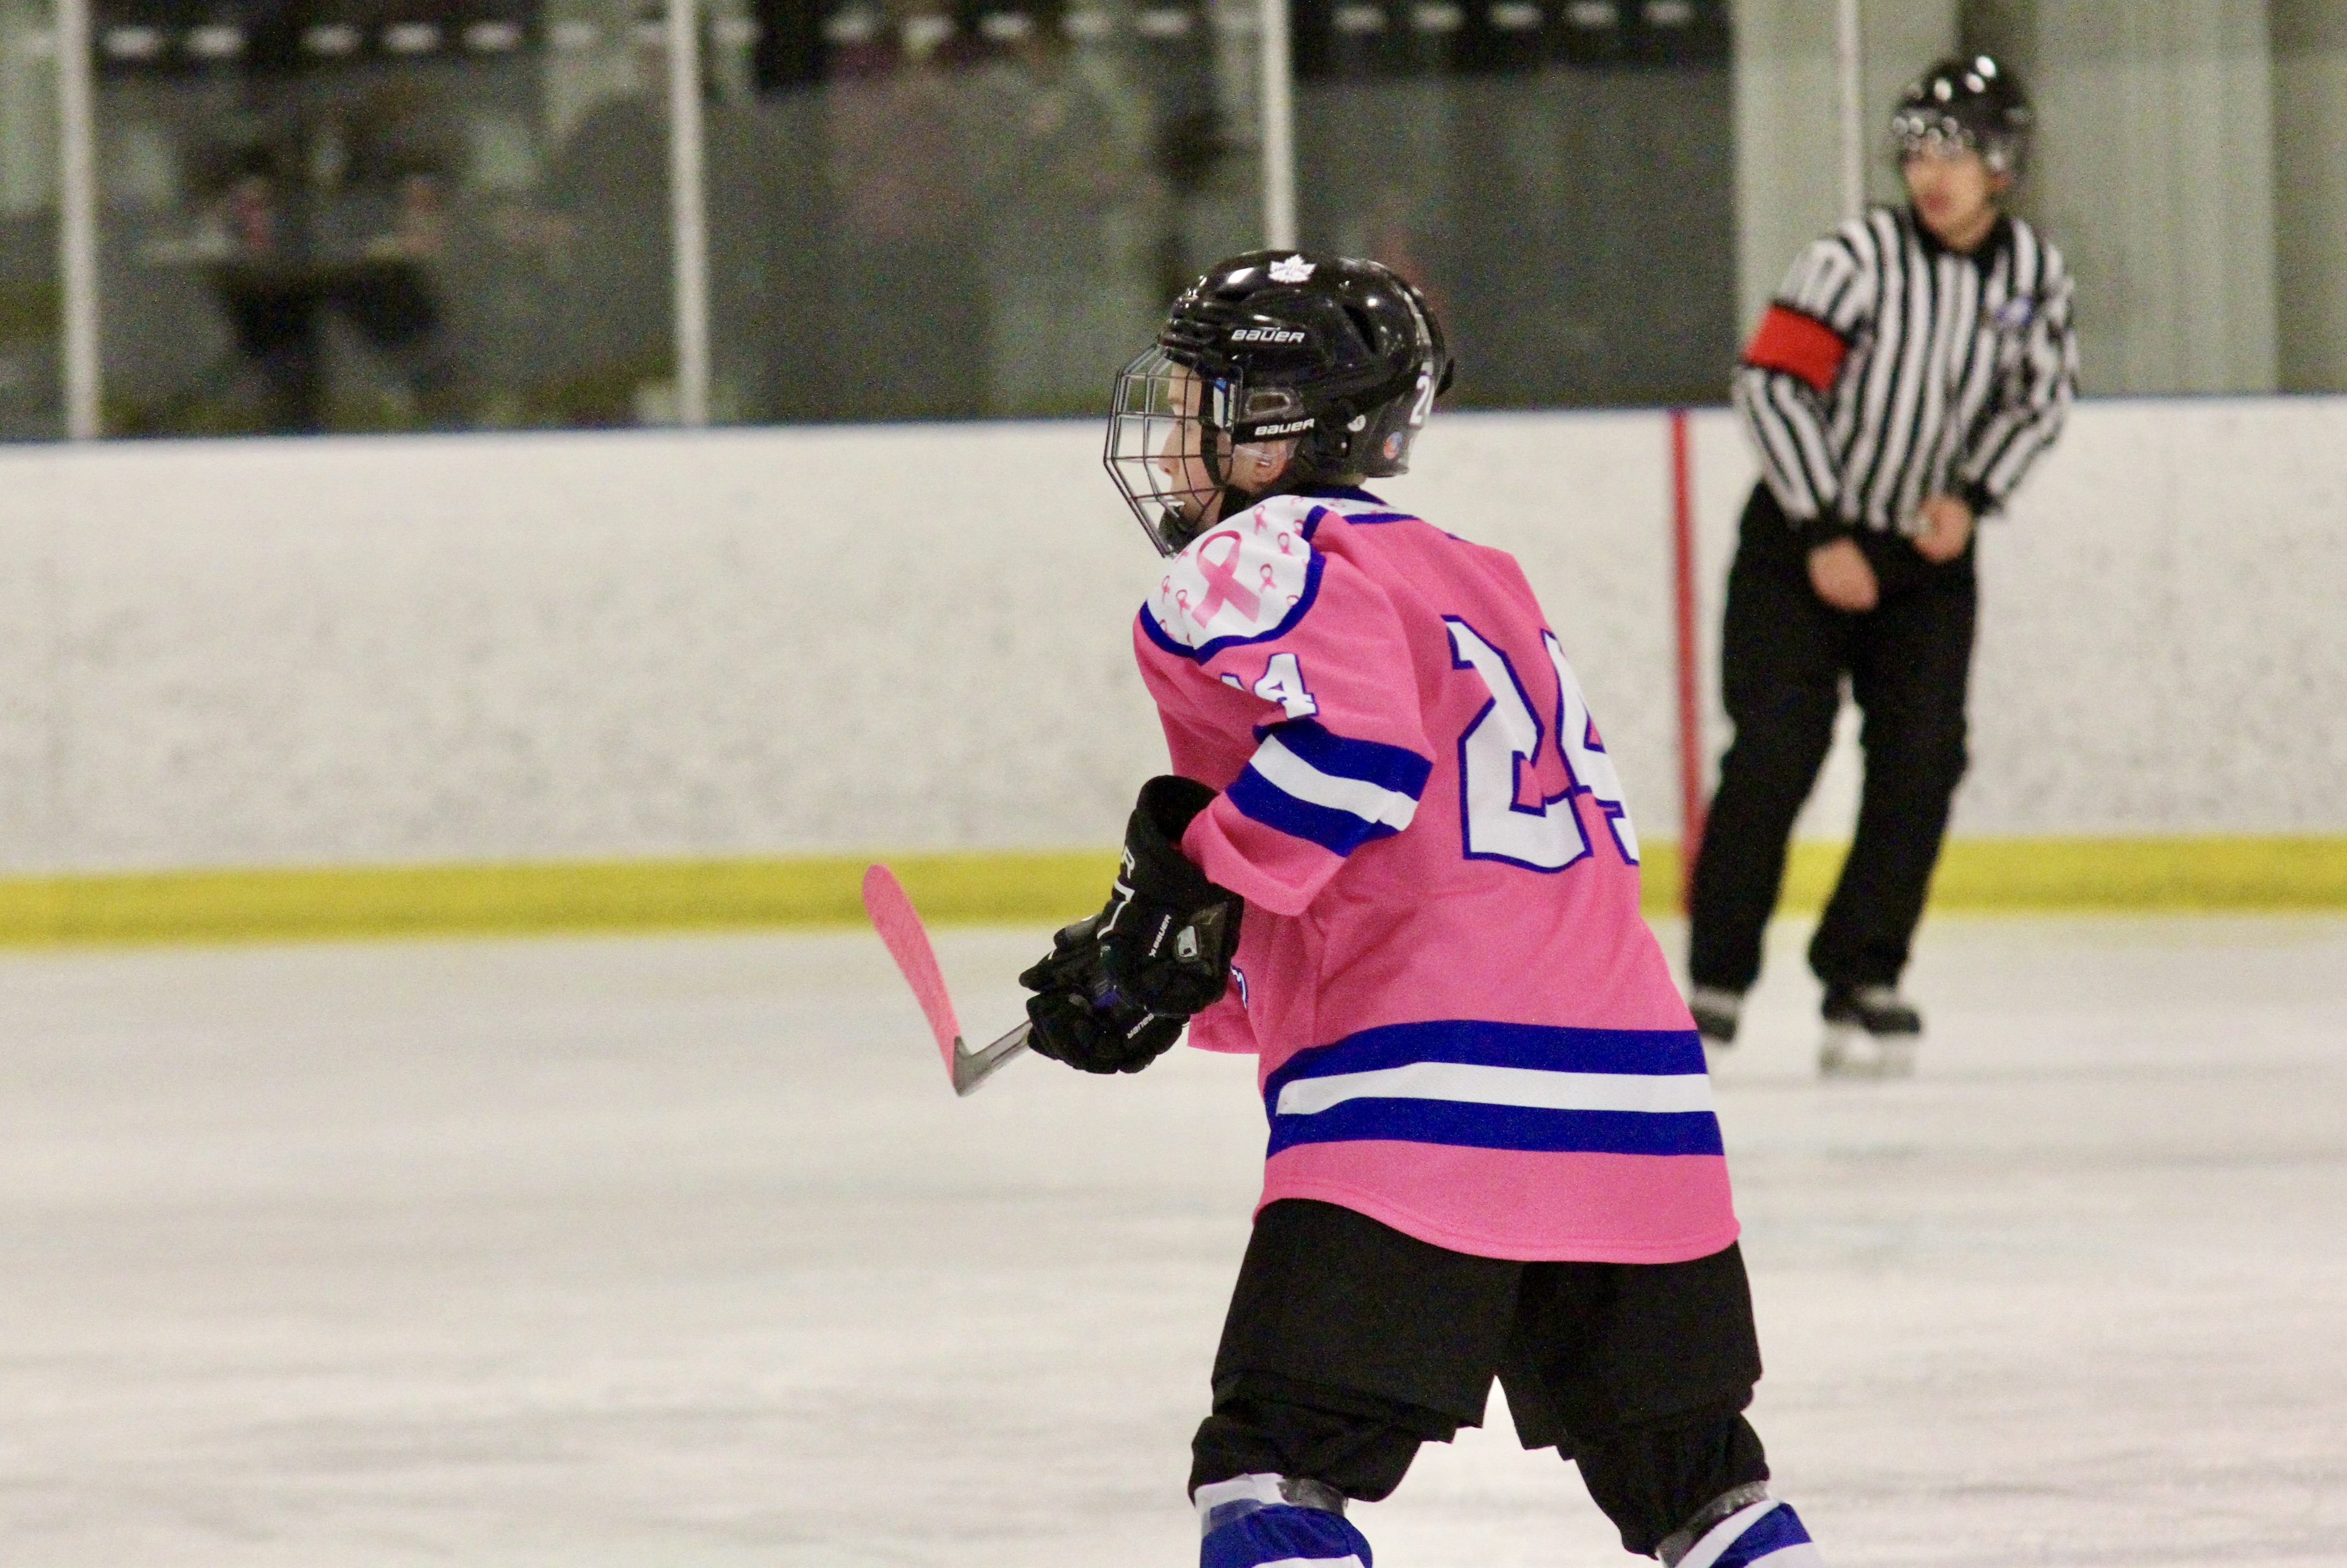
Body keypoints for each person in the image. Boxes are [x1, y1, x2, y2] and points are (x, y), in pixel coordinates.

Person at [1016, 252, 1825, 1568]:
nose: (1169, 439)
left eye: (1198, 404)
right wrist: (1172, 962)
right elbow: (1421, 852)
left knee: (1267, 1475)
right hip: (1637, 1105)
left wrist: (1172, 898)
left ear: (1279, 428)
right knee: (1703, 1491)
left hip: (1423, 1102)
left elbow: (1354, 763)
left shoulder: (1256, 555)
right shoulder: (1476, 573)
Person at [1688, 56, 2077, 1076]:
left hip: (1924, 557)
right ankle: (1716, 981)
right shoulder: (1853, 261)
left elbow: (2039, 400)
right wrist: (1823, 529)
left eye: (1956, 154)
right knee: (1776, 752)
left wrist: (1972, 497)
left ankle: (1864, 974)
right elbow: (1771, 385)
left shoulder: (2033, 277)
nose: (1931, 175)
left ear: (2002, 166)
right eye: (1917, 153)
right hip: (1799, 547)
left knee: (1923, 758)